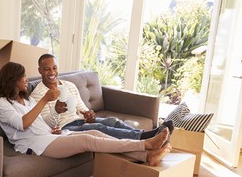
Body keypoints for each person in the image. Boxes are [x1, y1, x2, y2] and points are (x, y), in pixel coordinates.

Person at [0, 61, 172, 166]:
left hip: (49, 136)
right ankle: (144, 144)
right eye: (22, 77)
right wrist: (45, 100)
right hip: (35, 145)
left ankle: (147, 156)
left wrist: (54, 117)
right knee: (87, 140)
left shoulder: (26, 100)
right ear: (12, 80)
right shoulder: (2, 104)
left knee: (94, 133)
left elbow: (40, 121)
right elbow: (22, 124)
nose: (26, 80)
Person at [31, 53, 174, 141]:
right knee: (99, 127)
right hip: (65, 128)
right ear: (40, 71)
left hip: (79, 121)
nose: (52, 72)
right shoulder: (38, 94)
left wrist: (88, 115)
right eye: (46, 69)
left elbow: (81, 108)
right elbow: (47, 123)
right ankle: (145, 137)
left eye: (54, 68)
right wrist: (56, 110)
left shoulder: (69, 85)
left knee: (113, 121)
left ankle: (145, 134)